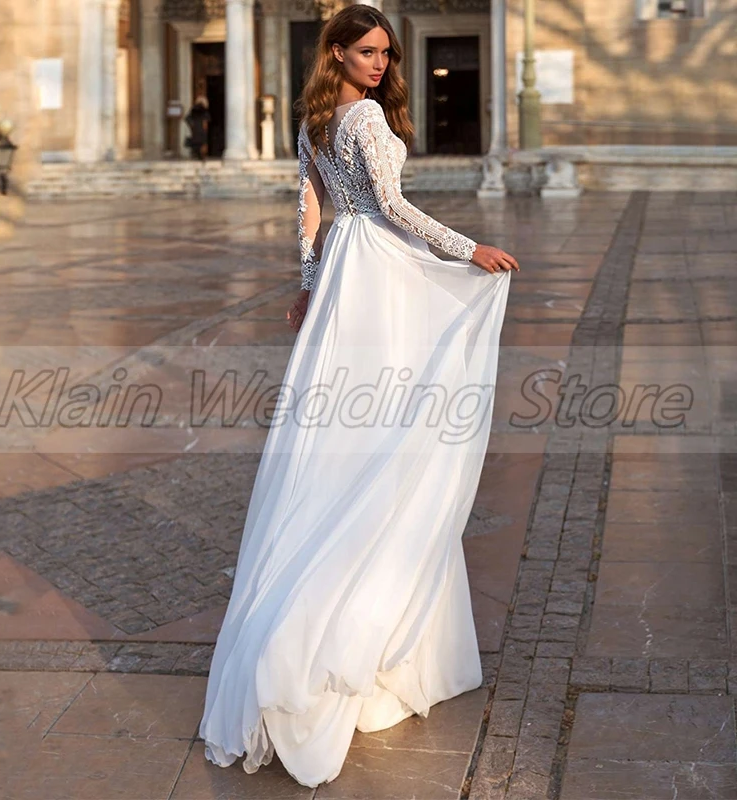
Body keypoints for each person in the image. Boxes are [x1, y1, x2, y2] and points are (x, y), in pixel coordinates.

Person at [198, 3, 519, 789]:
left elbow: (309, 211)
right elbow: (393, 209)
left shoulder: (312, 124)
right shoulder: (365, 117)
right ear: (336, 53)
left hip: (345, 274)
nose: (380, 64)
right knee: (389, 432)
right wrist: (467, 247)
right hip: (377, 272)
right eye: (367, 51)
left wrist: (309, 288)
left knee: (339, 433)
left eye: (386, 53)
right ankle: (347, 631)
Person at [184, 95, 211, 159]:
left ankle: (196, 154)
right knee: (202, 142)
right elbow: (205, 120)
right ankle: (201, 155)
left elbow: (187, 118)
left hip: (195, 128)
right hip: (201, 128)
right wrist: (205, 128)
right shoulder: (204, 110)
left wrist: (192, 124)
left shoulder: (193, 110)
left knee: (196, 141)